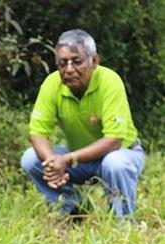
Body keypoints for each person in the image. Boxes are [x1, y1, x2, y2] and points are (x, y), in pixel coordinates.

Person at [20, 29, 145, 220]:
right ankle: (74, 211)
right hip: (79, 160)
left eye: (77, 61)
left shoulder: (110, 81)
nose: (69, 69)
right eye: (62, 63)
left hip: (119, 154)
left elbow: (114, 141)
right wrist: (54, 164)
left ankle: (125, 225)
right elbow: (37, 133)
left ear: (94, 61)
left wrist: (67, 160)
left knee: (115, 163)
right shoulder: (52, 84)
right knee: (31, 158)